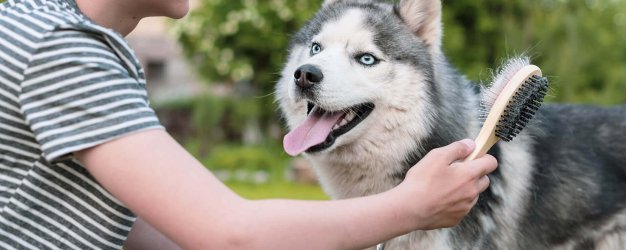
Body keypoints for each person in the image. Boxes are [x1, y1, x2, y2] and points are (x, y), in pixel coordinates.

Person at [0, 0, 498, 249]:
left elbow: (136, 231)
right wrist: (411, 207)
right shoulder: (61, 50)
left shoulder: (38, 26)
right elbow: (232, 235)